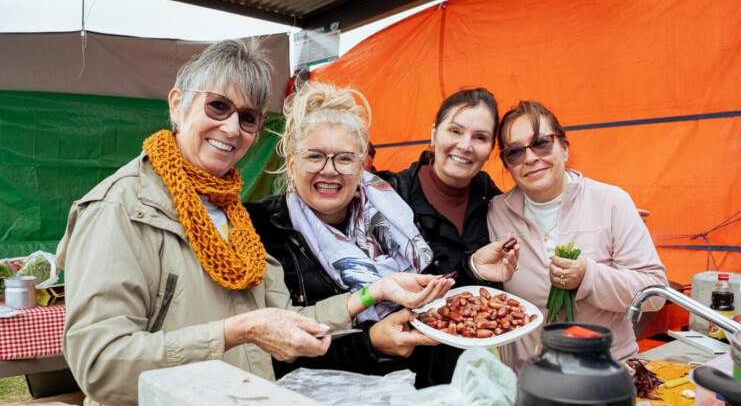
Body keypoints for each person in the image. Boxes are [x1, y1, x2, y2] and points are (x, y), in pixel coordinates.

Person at [56, 40, 449, 406]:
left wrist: (374, 292)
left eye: (248, 117)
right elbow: (100, 363)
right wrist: (236, 331)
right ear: (178, 104)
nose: (231, 128)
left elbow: (285, 321)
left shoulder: (231, 213)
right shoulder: (122, 208)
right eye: (218, 106)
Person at [246, 82, 514, 385]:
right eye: (315, 156)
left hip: (410, 393)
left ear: (361, 165)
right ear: (292, 162)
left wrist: (473, 268)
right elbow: (273, 349)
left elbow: (427, 296)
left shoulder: (393, 211)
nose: (330, 170)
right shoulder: (262, 226)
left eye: (344, 158)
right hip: (316, 403)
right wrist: (370, 343)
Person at [488, 100, 667, 370]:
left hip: (605, 370)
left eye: (541, 143)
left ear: (564, 147)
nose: (530, 157)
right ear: (507, 164)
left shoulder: (611, 201)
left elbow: (654, 294)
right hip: (529, 376)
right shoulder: (496, 212)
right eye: (515, 151)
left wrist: (588, 277)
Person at [377, 87, 519, 386]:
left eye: (480, 137)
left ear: (490, 149)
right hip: (400, 373)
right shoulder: (389, 195)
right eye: (455, 131)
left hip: (465, 373)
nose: (465, 145)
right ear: (434, 134)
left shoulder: (491, 199)